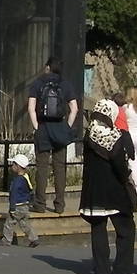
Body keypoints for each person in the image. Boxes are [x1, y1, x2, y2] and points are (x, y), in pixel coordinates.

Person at [80, 99, 137, 274]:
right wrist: (127, 179)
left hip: (94, 191)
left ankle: (101, 272)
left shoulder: (89, 135)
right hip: (115, 191)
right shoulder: (115, 137)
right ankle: (122, 272)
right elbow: (121, 166)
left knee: (98, 230)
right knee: (126, 229)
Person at [27, 58, 79, 214]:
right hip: (60, 128)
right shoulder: (65, 84)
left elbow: (31, 107)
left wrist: (36, 126)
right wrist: (67, 127)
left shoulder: (37, 83)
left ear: (47, 67)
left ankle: (40, 203)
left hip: (43, 127)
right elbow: (74, 108)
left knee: (42, 167)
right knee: (60, 167)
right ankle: (59, 204)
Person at [0, 154, 37, 247]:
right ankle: (33, 238)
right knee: (25, 224)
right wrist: (31, 201)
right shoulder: (26, 177)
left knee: (9, 223)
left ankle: (6, 240)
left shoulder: (16, 181)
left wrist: (12, 208)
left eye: (13, 164)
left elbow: (13, 195)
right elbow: (30, 191)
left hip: (17, 206)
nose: (12, 166)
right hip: (25, 205)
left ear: (18, 166)